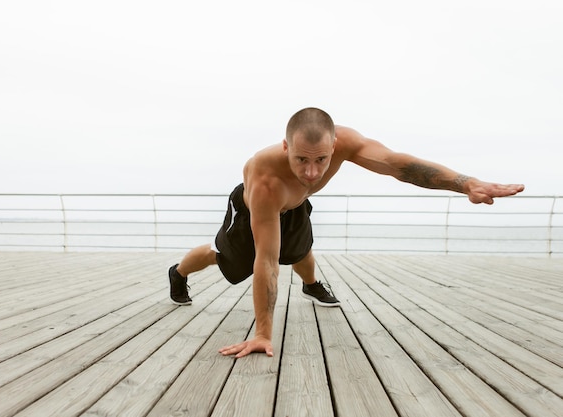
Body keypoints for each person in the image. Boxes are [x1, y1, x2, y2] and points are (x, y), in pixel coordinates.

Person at [168, 107, 524, 358]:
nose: (311, 172)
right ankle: (179, 272)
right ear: (285, 147)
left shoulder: (347, 143)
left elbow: (399, 165)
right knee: (228, 260)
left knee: (302, 247)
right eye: (301, 160)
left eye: (321, 160)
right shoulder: (266, 181)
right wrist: (263, 333)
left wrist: (466, 184)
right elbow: (268, 260)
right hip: (255, 212)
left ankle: (310, 285)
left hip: (294, 205)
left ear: (335, 146)